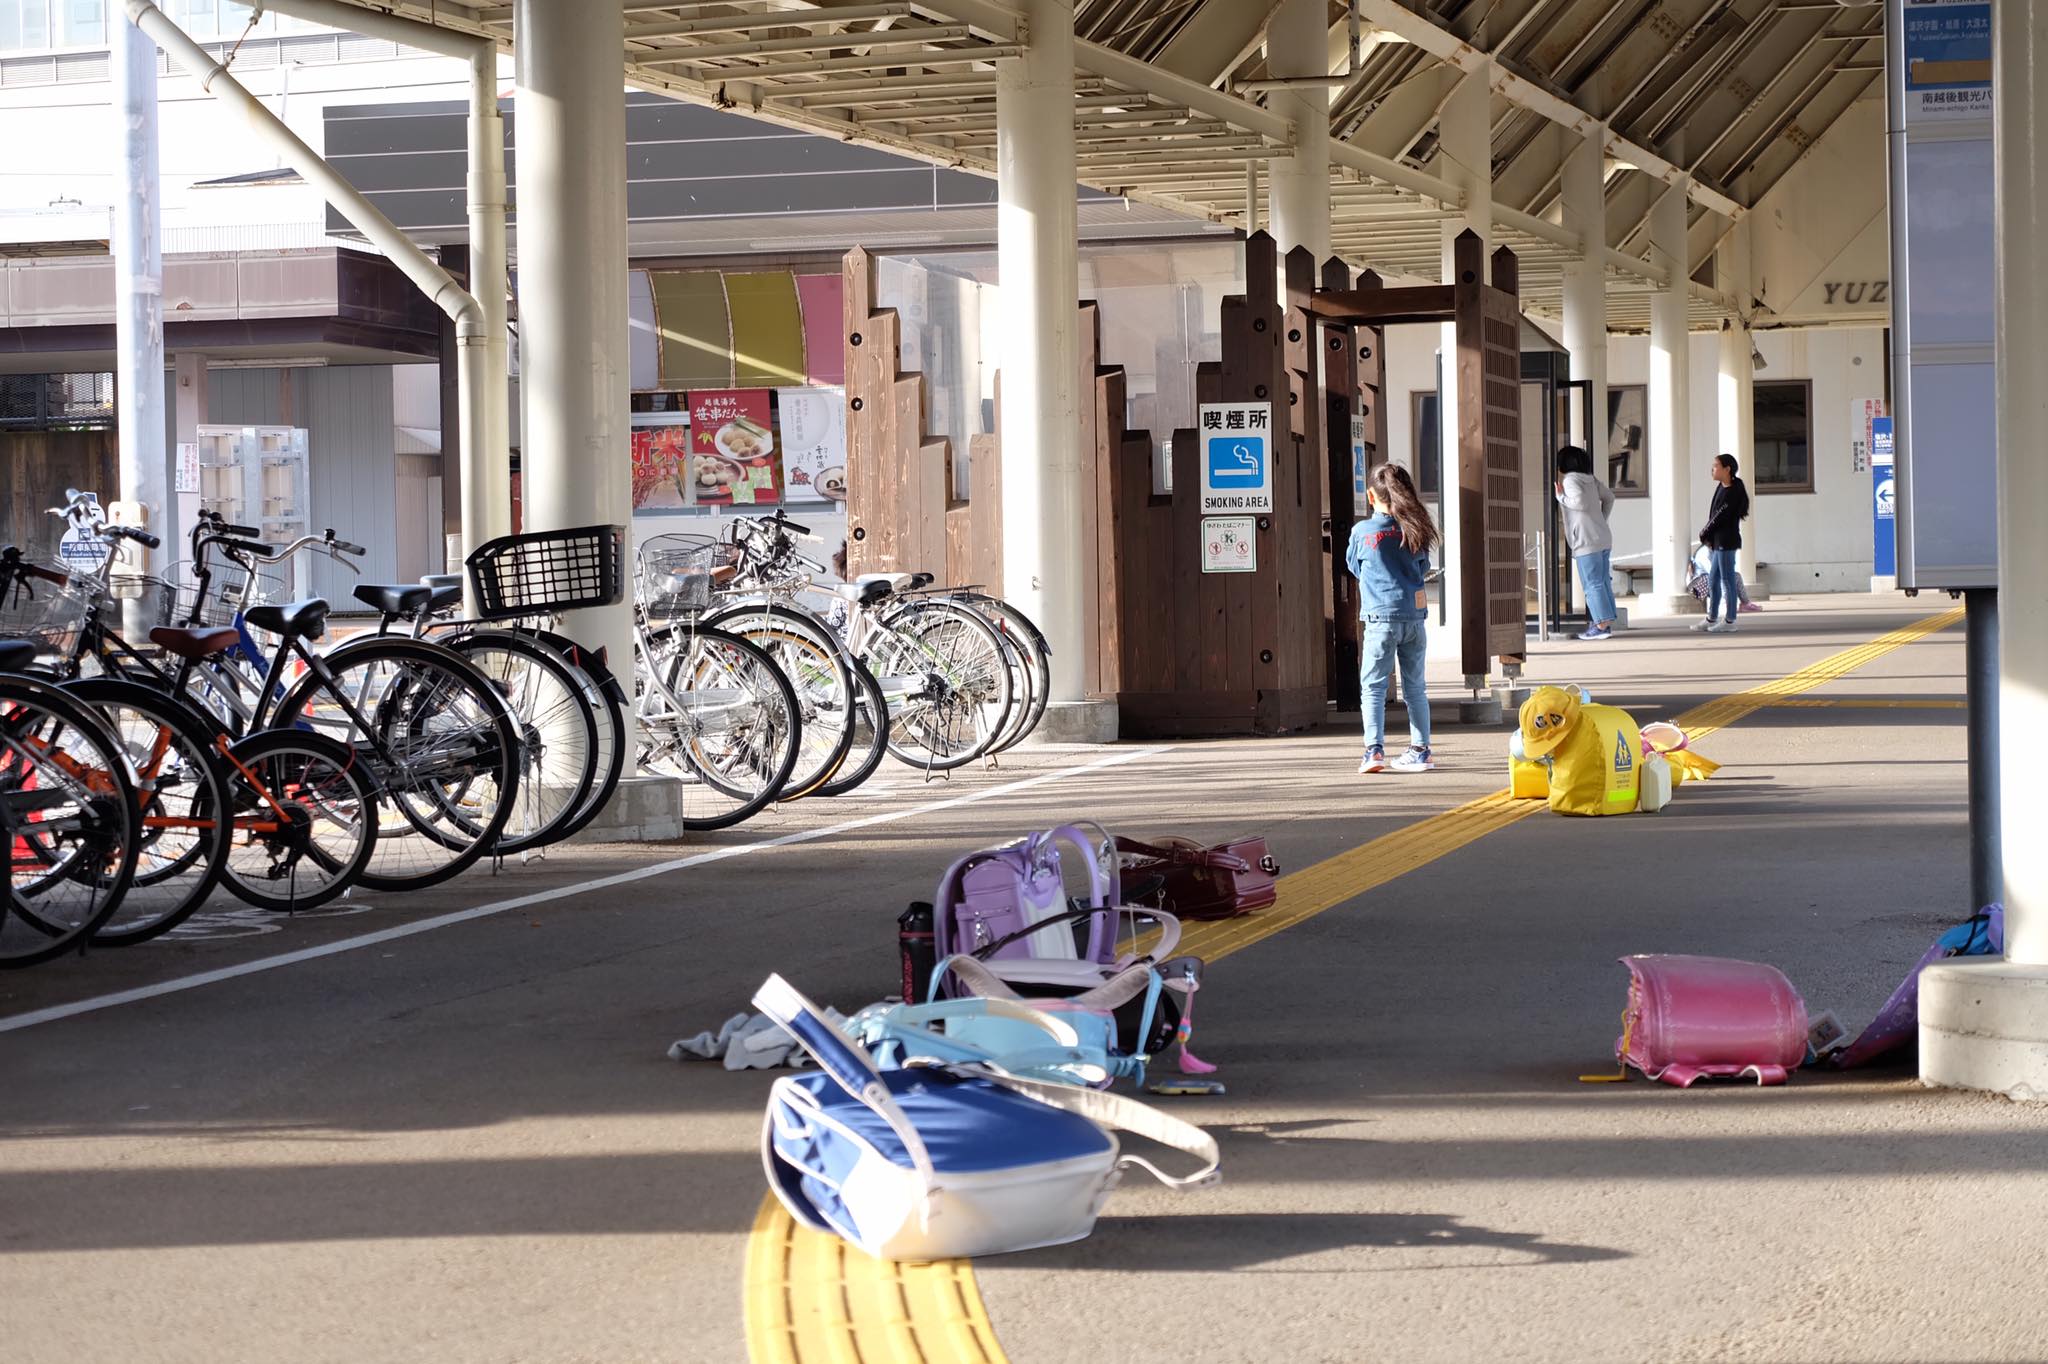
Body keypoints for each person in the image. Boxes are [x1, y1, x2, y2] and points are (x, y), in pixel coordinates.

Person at [1346, 462, 1439, 774]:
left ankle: (1374, 751)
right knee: (1415, 688)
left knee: (1373, 686)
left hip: (1380, 618)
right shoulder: (1415, 529)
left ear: (1371, 496)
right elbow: (1423, 567)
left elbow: (1354, 566)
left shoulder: (1362, 532)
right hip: (1414, 618)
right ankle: (1421, 750)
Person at [1554, 445, 1617, 640]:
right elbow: (1610, 497)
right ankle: (1604, 623)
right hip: (1602, 537)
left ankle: (1600, 626)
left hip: (1586, 540)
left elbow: (1579, 502)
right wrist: (1601, 519)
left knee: (1592, 584)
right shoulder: (1591, 479)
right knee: (1602, 582)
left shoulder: (1570, 480)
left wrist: (1561, 497)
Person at [1694, 453, 1751, 634]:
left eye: (1716, 465)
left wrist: (1704, 533)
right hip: (1718, 541)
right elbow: (1714, 514)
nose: (1713, 469)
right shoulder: (1721, 486)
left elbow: (1719, 517)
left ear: (1727, 469)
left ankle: (1730, 620)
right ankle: (1711, 617)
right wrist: (1709, 537)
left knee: (1727, 580)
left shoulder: (1733, 491)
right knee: (1713, 580)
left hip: (1727, 541)